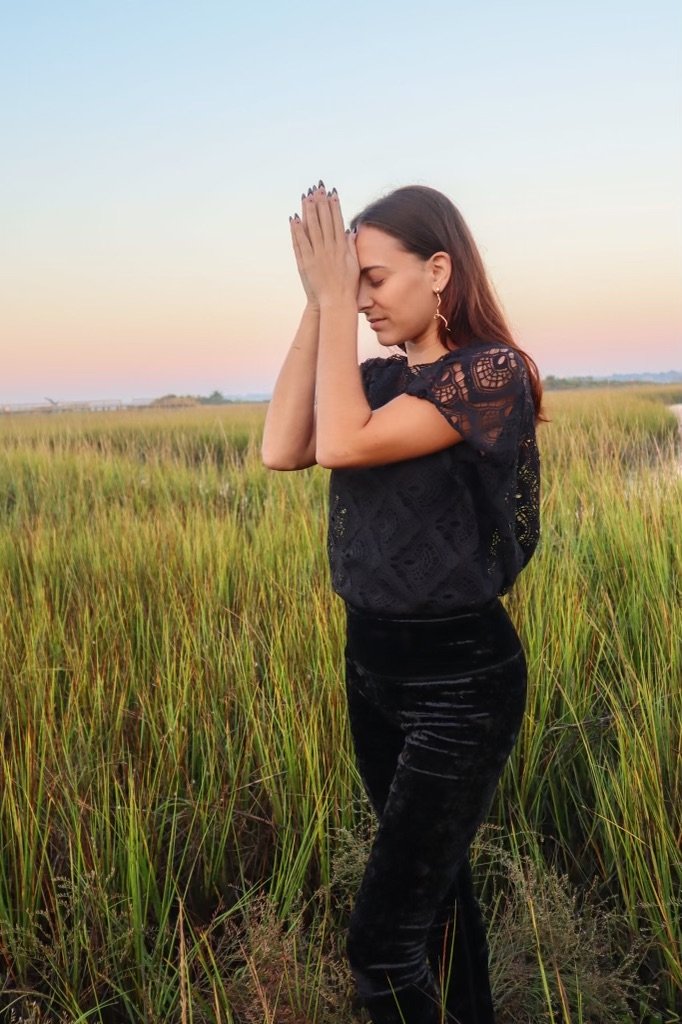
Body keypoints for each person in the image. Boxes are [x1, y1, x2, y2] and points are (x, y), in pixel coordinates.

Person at [261, 181, 542, 1024]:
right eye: (355, 284)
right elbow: (284, 447)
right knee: (438, 901)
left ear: (439, 270)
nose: (363, 300)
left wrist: (331, 298)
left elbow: (343, 443)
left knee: (380, 950)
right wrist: (320, 304)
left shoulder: (489, 374)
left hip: (461, 683)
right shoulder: (378, 379)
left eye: (374, 280)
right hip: (372, 667)